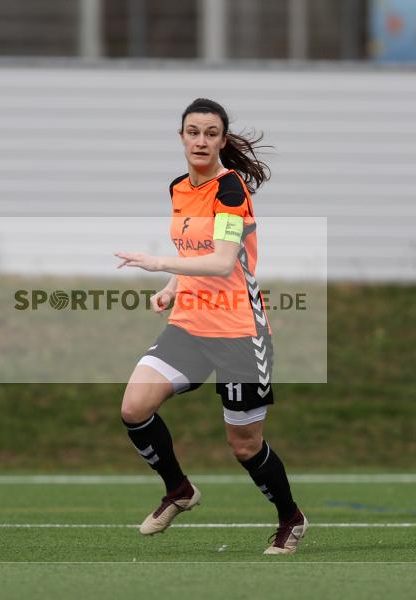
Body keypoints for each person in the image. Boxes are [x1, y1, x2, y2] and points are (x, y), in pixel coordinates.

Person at [114, 98, 308, 555]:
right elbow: (196, 253)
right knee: (133, 408)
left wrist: (156, 262)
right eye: (193, 131)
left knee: (244, 446)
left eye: (210, 133)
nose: (201, 140)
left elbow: (222, 262)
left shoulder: (231, 190)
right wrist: (172, 285)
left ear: (222, 140)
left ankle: (291, 518)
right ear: (181, 136)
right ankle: (179, 489)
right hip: (189, 326)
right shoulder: (179, 188)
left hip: (240, 333)